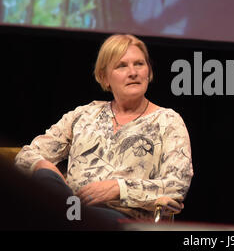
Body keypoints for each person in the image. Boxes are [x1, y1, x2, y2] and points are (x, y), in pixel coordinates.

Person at [15, 34, 193, 225]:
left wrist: (119, 188)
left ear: (148, 72)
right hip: (72, 209)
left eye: (139, 64)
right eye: (122, 66)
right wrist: (45, 167)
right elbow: (25, 156)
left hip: (121, 220)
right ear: (104, 77)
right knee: (44, 176)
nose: (133, 72)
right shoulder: (83, 115)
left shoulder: (168, 120)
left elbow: (176, 184)